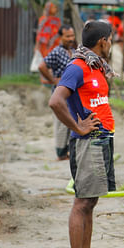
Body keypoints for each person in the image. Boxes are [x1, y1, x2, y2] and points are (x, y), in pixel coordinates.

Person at [48, 21, 119, 248]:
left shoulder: (94, 66)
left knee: (91, 201)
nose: (111, 44)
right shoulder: (77, 67)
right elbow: (56, 101)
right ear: (102, 41)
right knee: (81, 202)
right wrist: (78, 128)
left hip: (101, 140)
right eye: (110, 39)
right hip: (87, 142)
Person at [39, 25, 76, 160]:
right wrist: (53, 80)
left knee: (70, 120)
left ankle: (68, 150)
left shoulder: (72, 51)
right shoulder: (57, 51)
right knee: (61, 122)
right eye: (67, 36)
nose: (71, 39)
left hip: (71, 93)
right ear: (61, 37)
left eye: (72, 36)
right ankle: (60, 152)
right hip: (60, 93)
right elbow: (42, 66)